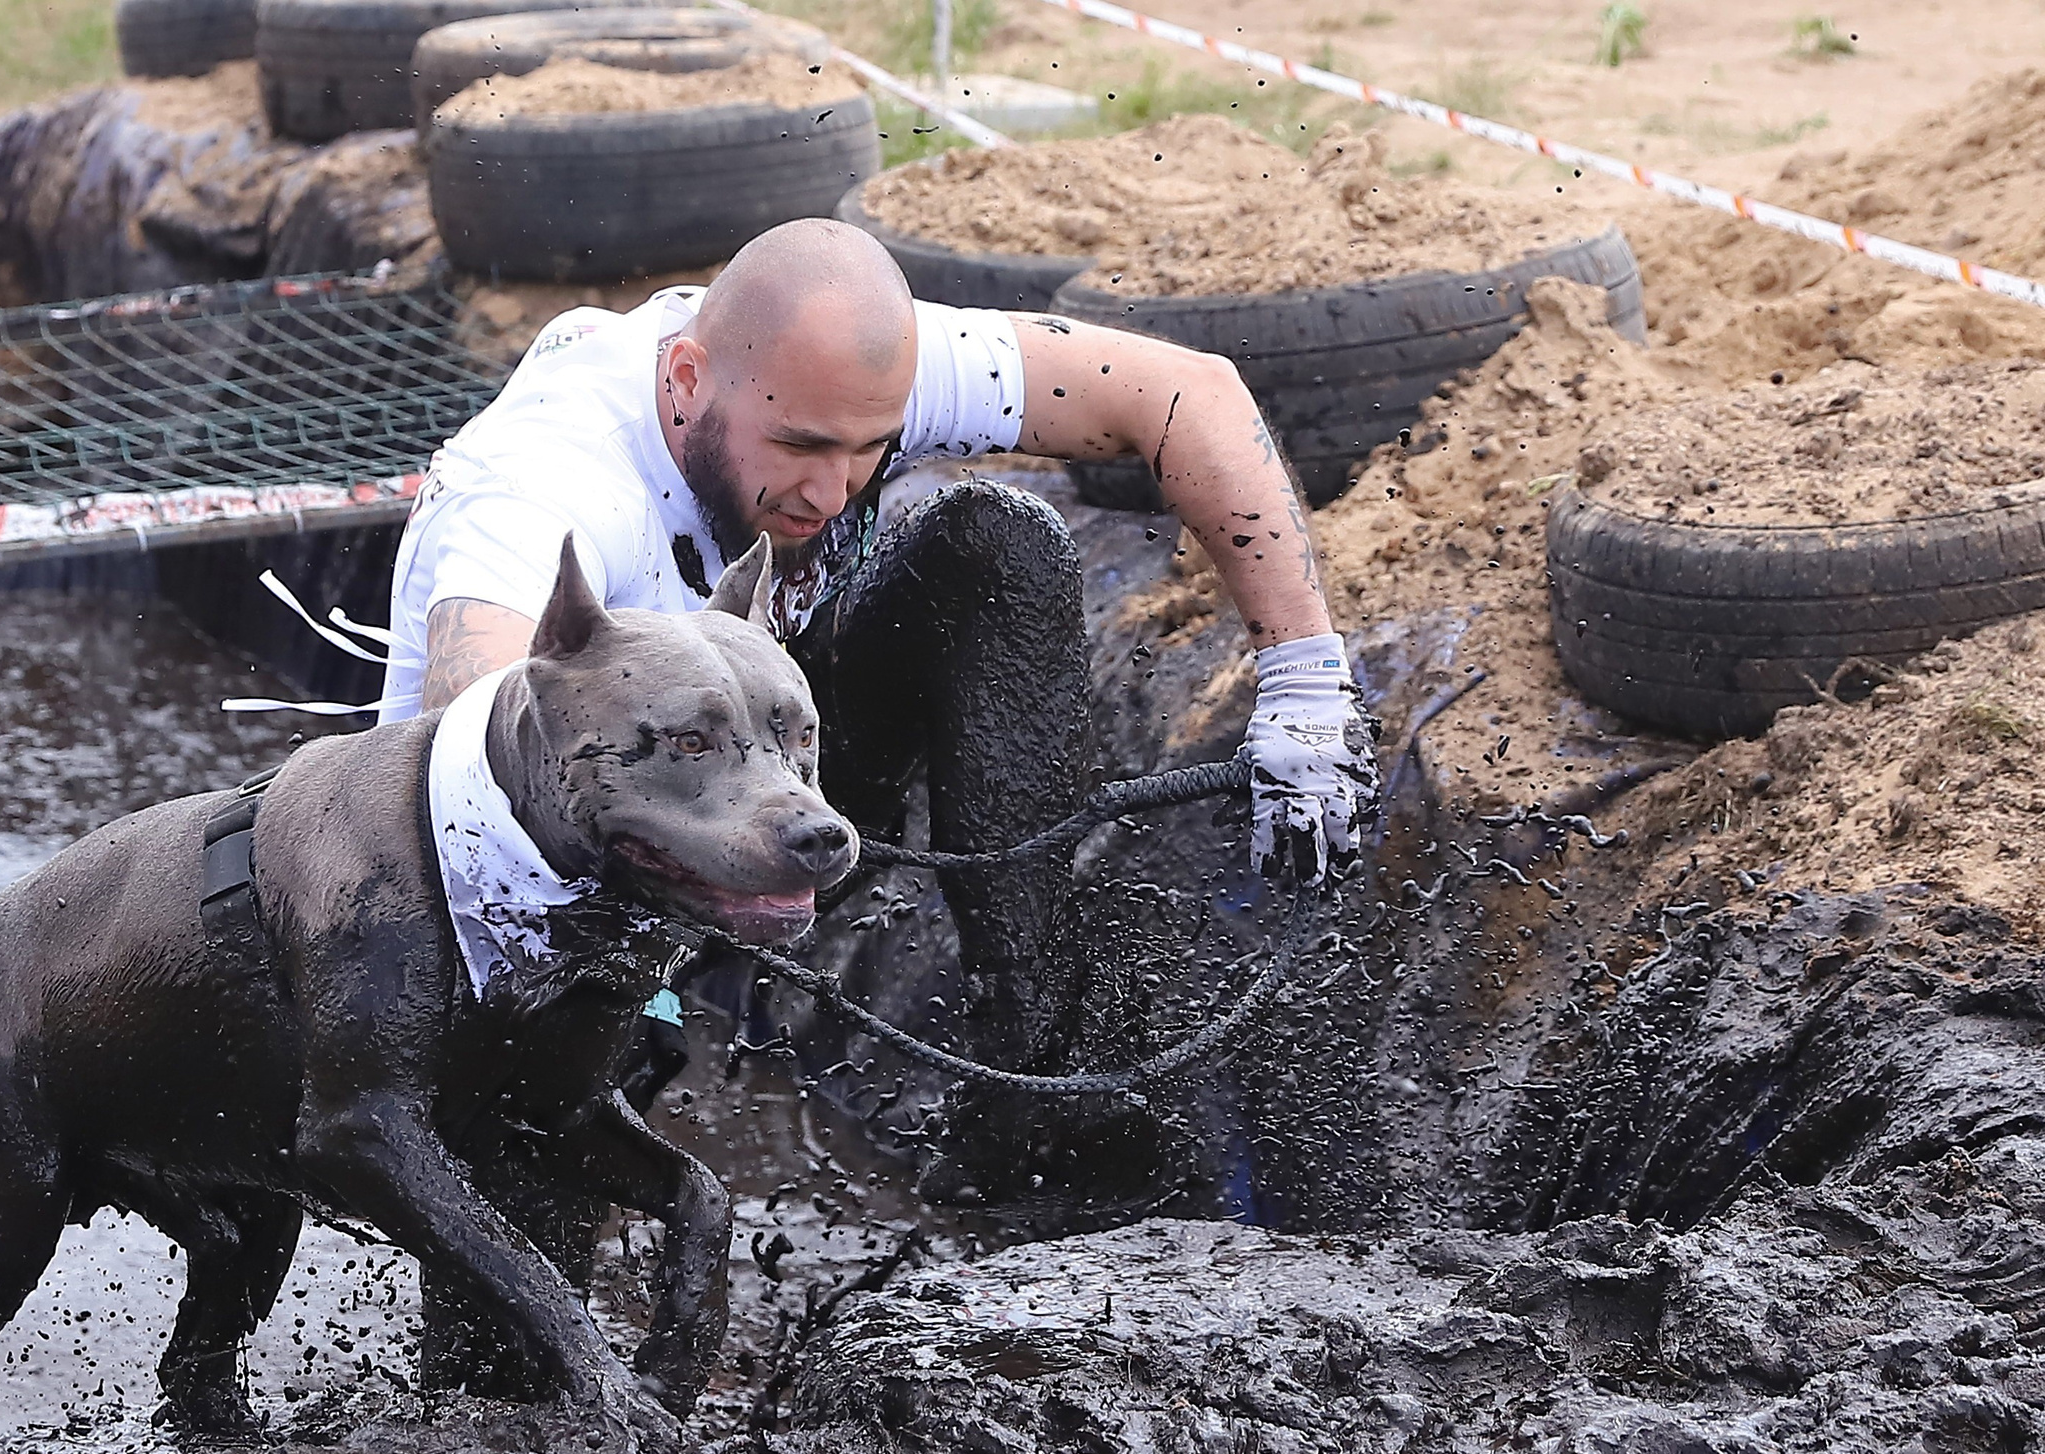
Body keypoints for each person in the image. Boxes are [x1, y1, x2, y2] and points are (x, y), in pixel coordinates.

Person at [376, 217, 1375, 1197]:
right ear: (685, 384)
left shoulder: (831, 379)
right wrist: (623, 970)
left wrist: (1305, 681)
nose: (828, 490)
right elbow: (473, 733)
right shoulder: (545, 484)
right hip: (538, 859)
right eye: (799, 447)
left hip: (766, 767)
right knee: (544, 1215)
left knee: (999, 546)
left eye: (866, 451)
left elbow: (1187, 392)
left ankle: (1026, 1069)